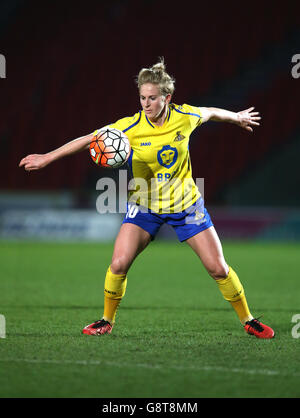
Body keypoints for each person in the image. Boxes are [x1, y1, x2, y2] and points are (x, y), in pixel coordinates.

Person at [19, 58, 274, 339]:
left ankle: (248, 319)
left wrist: (236, 117)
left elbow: (211, 112)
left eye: (152, 98)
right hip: (144, 207)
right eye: (142, 97)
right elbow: (88, 139)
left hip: (186, 206)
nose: (146, 104)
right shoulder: (128, 128)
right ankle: (106, 320)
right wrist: (48, 157)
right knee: (118, 264)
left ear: (167, 97)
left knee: (217, 267)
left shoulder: (185, 117)